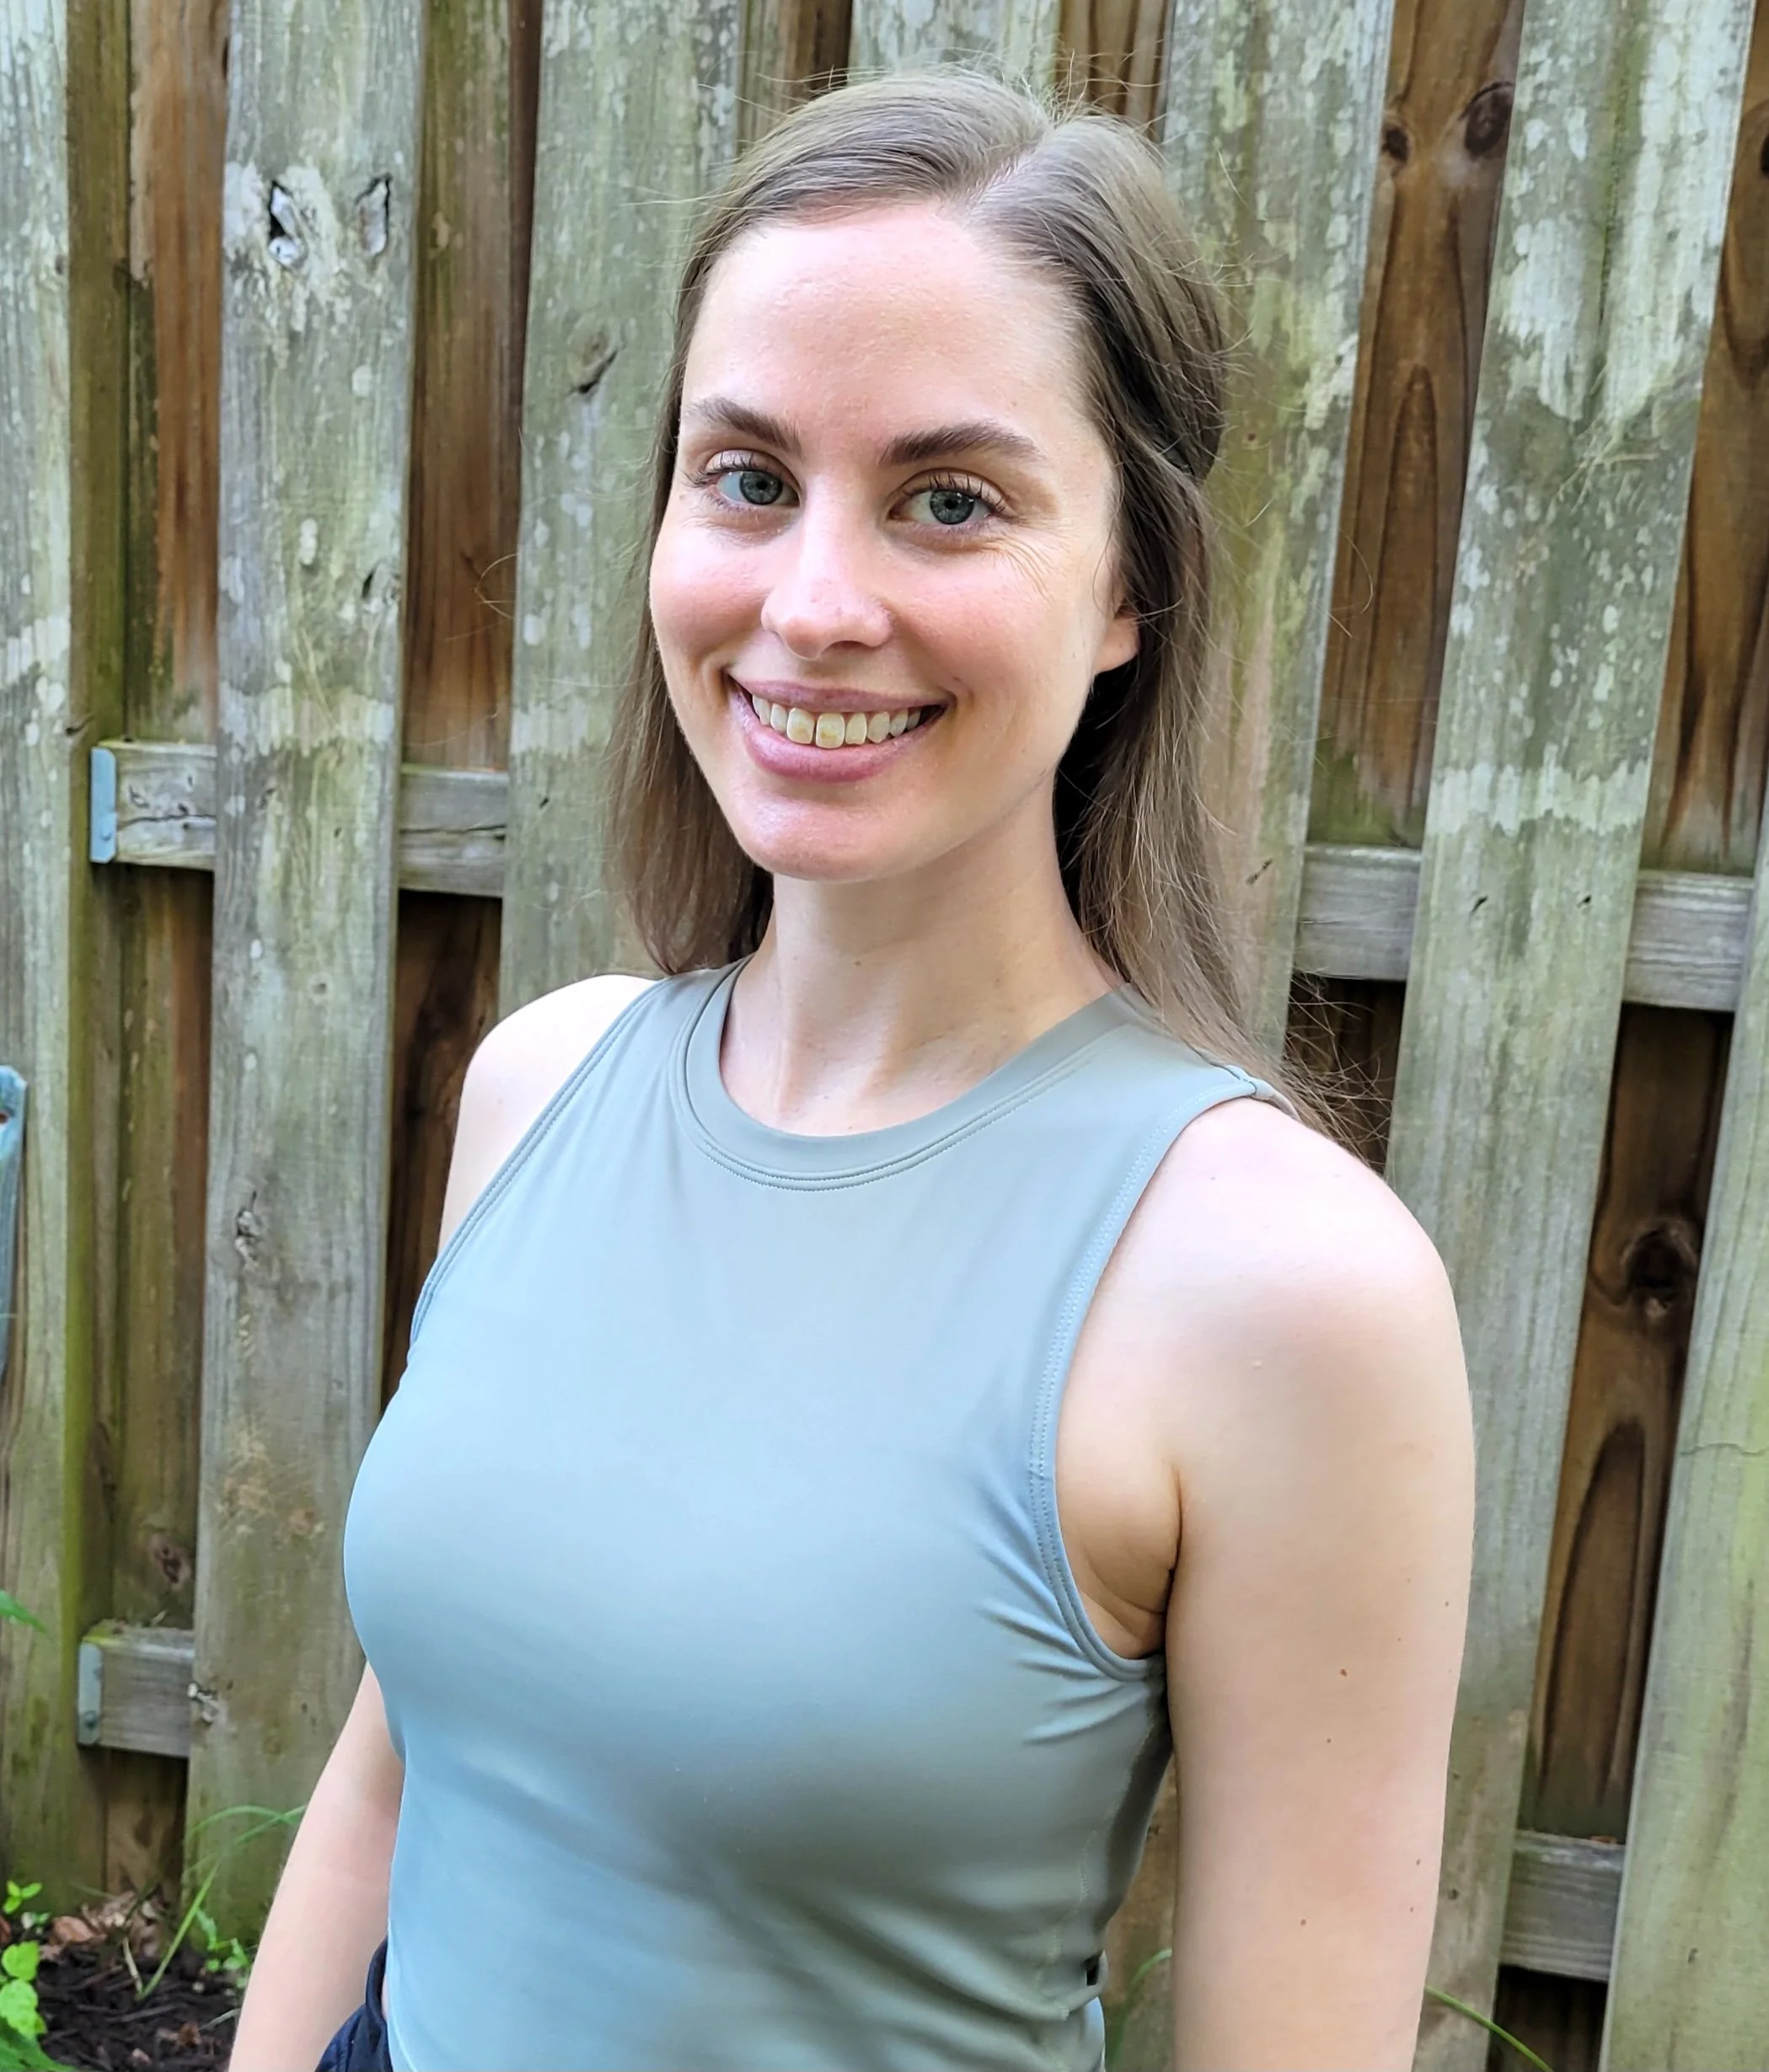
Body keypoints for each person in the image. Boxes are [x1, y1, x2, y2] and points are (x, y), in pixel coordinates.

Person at [230, 65, 1474, 2072]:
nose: (811, 604)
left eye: (948, 498)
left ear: (1127, 590)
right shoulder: (543, 1088)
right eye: (745, 477)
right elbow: (397, 1776)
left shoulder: (1282, 1291)